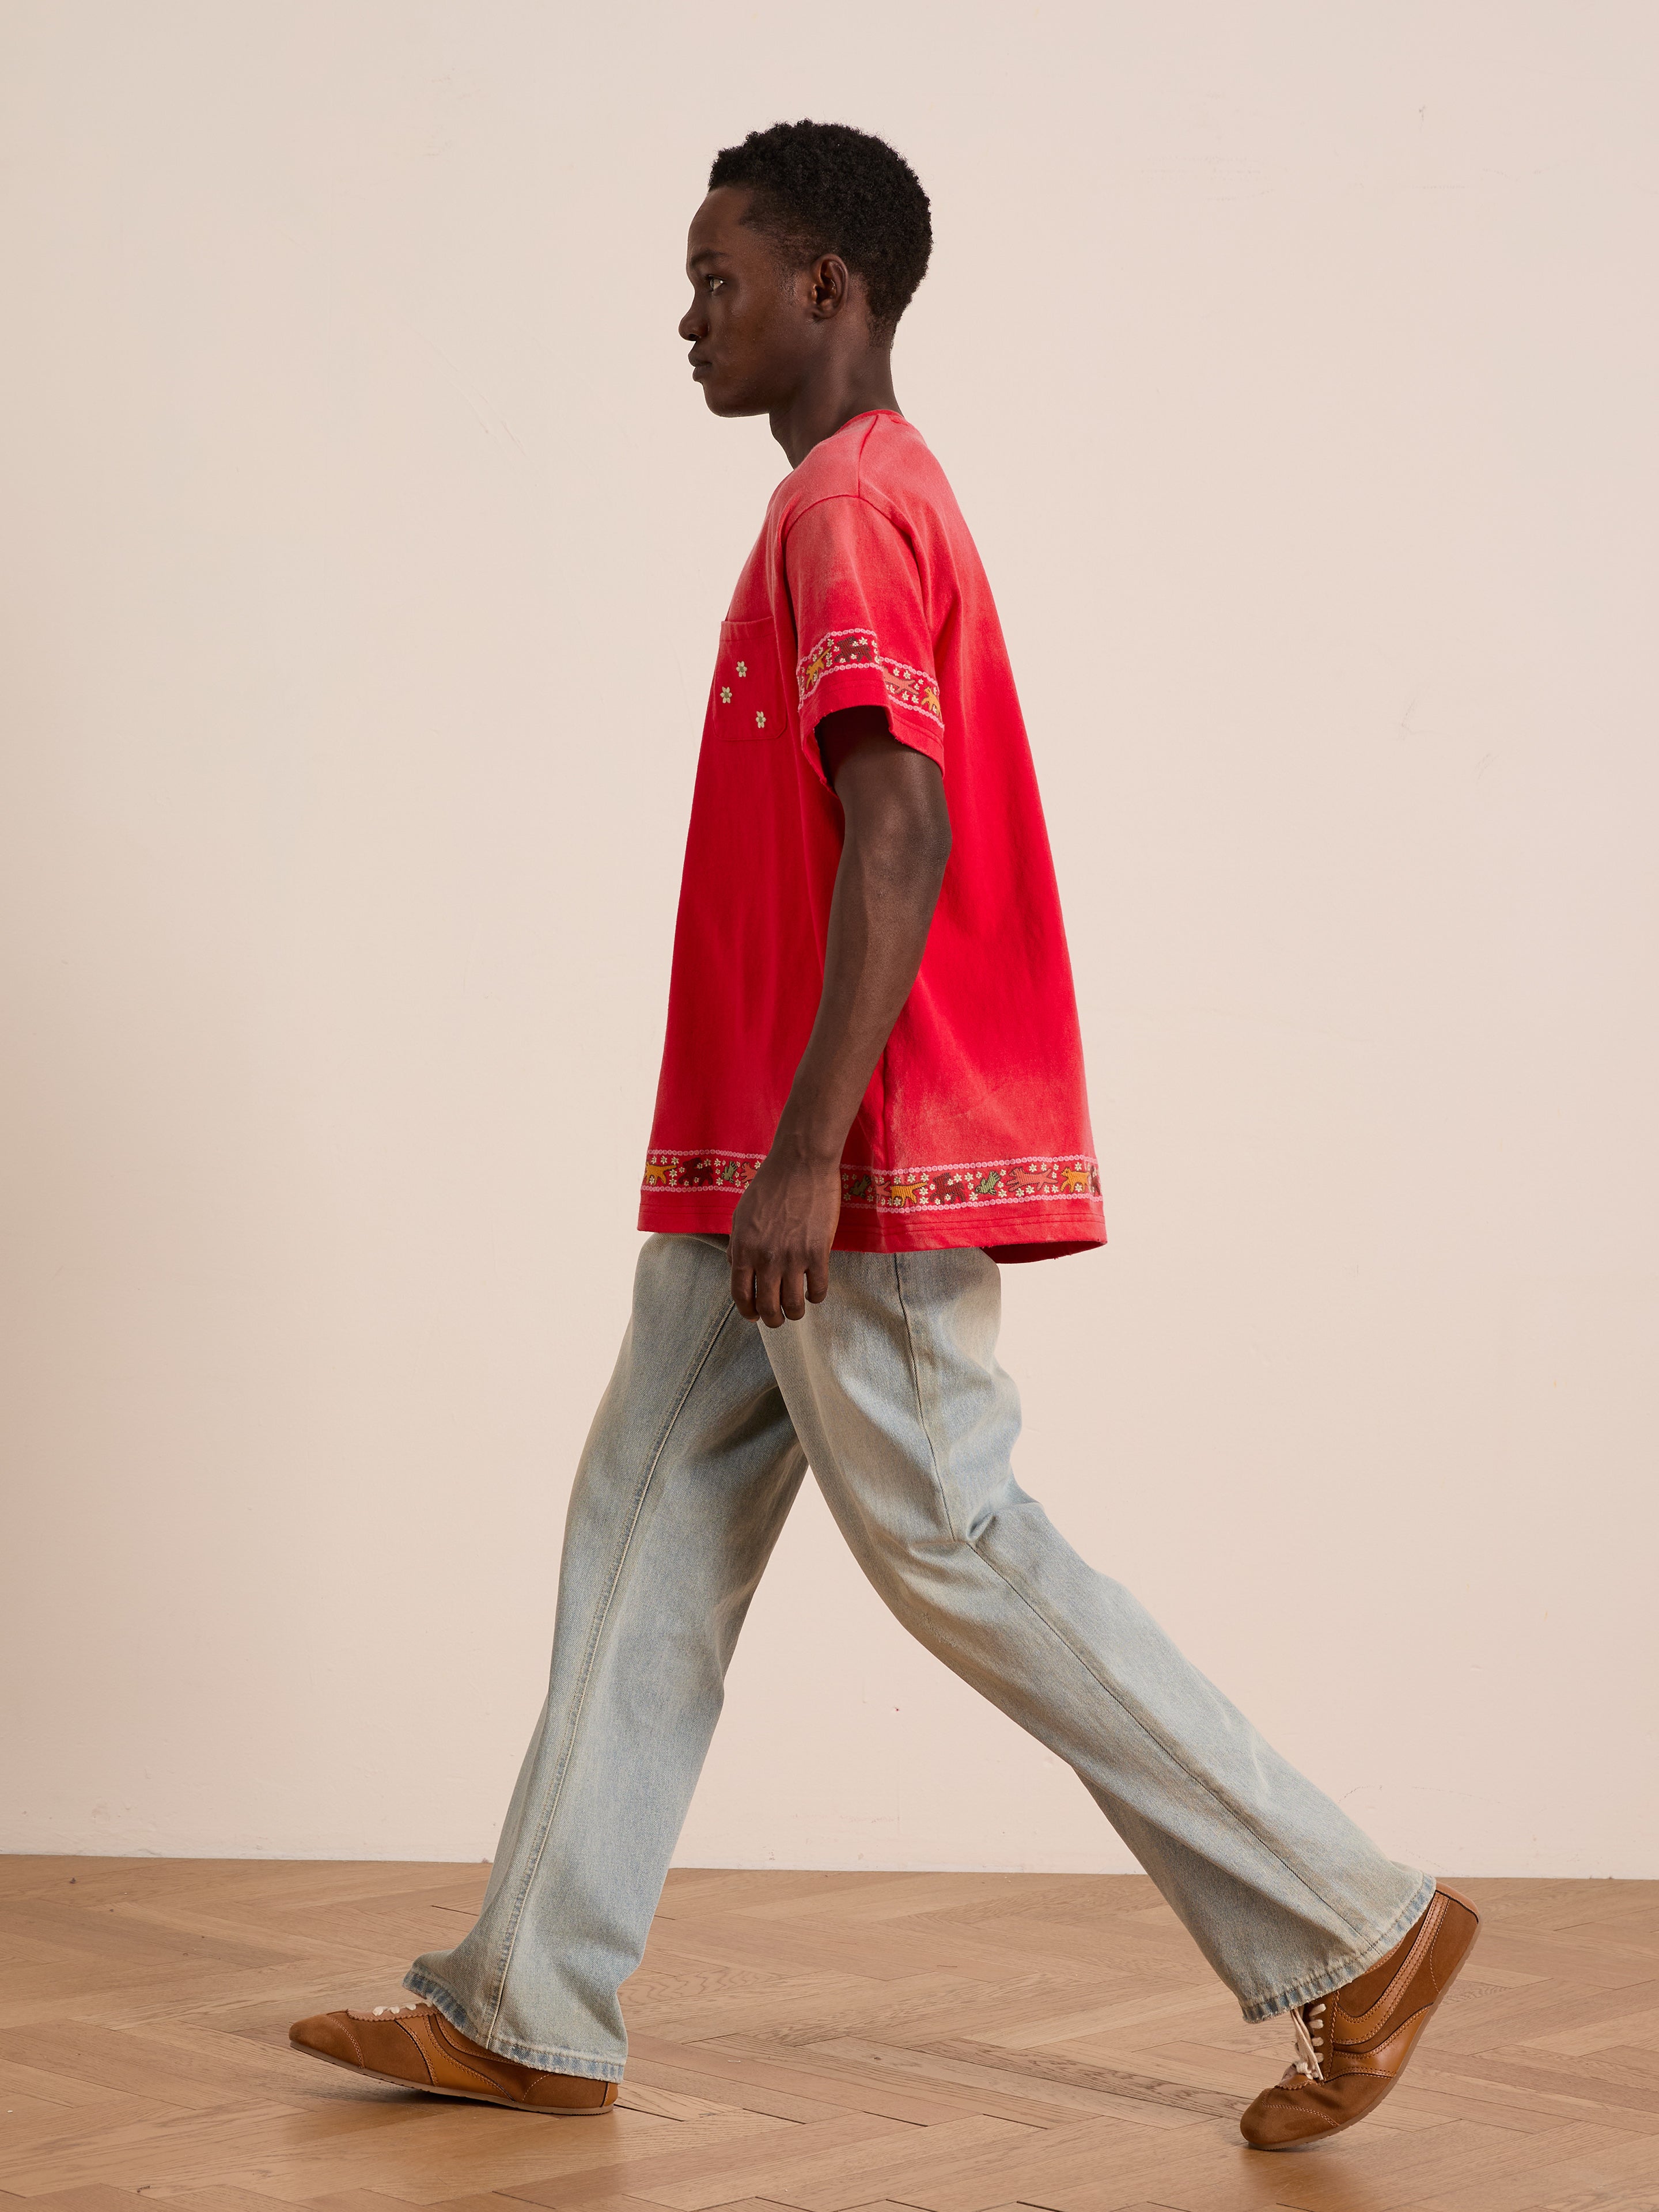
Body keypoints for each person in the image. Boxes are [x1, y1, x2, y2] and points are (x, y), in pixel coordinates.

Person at [289, 119, 1478, 2152]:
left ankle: (1350, 1925)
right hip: (765, 1153)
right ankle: (529, 1997)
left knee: (955, 1539)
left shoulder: (850, 509)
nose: (691, 316)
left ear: (828, 288)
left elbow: (899, 832)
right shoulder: (860, 501)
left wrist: (814, 1153)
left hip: (847, 1160)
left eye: (720, 278)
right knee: (647, 1515)